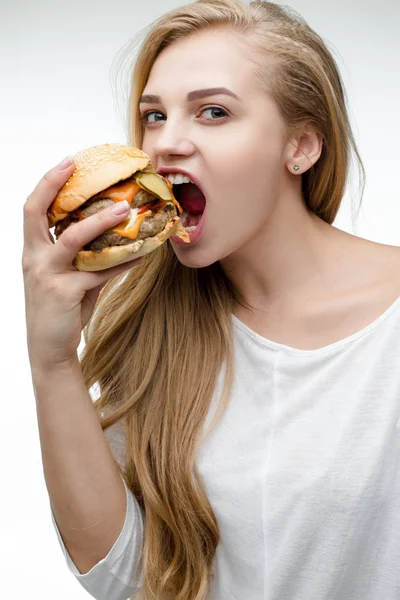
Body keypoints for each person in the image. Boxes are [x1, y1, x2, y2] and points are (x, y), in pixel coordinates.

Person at [22, 1, 400, 599]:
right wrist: (53, 364)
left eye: (214, 112)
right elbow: (126, 581)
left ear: (300, 147)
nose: (166, 143)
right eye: (153, 116)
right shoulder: (154, 323)